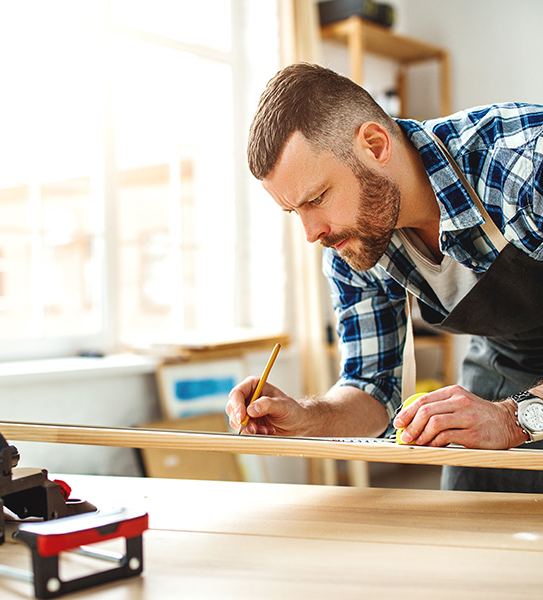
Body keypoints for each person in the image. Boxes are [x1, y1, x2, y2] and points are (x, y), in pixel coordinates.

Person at [226, 62, 543, 493]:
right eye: (294, 211)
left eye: (317, 198)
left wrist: (513, 418)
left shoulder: (522, 166)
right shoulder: (349, 244)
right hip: (508, 363)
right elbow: (374, 388)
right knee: (470, 513)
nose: (311, 232)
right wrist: (306, 415)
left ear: (374, 145)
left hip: (513, 403)